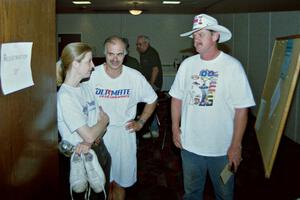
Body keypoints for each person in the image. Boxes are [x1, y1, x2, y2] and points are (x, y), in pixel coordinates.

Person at [169, 14, 256, 200]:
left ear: (215, 36)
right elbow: (176, 98)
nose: (196, 39)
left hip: (222, 149)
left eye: (201, 34)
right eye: (194, 35)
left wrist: (236, 145)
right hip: (190, 147)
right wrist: (175, 128)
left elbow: (242, 110)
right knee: (192, 194)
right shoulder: (187, 65)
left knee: (224, 195)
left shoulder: (232, 67)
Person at [88, 36, 157, 200]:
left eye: (119, 54)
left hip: (124, 135)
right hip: (99, 136)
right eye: (111, 54)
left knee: (120, 182)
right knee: (100, 184)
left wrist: (141, 122)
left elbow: (152, 99)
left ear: (125, 54)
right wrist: (88, 132)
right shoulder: (91, 75)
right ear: (105, 53)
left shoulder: (134, 76)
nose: (115, 59)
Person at [57, 42, 111, 200]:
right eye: (89, 61)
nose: (93, 66)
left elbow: (99, 128)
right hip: (79, 162)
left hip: (98, 150)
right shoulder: (65, 96)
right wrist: (103, 123)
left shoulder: (85, 87)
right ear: (75, 64)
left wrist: (96, 131)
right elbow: (93, 130)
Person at [136, 35, 163, 139]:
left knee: (150, 104)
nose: (138, 46)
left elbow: (155, 69)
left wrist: (150, 85)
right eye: (137, 44)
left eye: (140, 44)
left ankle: (155, 130)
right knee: (143, 104)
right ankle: (148, 125)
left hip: (153, 85)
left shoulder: (151, 53)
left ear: (146, 43)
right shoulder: (143, 53)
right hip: (148, 84)